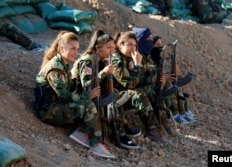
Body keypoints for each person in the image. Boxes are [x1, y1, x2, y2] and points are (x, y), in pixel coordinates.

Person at [33, 31, 115, 159]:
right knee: (88, 105)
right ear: (61, 49)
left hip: (57, 105)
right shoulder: (55, 68)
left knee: (88, 101)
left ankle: (83, 132)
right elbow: (64, 95)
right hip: (47, 110)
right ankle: (95, 144)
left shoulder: (62, 64)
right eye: (72, 49)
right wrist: (87, 95)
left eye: (77, 49)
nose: (76, 52)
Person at [71, 29, 141, 150]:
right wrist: (103, 73)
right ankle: (118, 134)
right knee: (112, 98)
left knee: (116, 95)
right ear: (98, 48)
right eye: (108, 47)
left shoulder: (100, 60)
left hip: (93, 95)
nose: (112, 51)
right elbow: (86, 86)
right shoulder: (88, 61)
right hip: (81, 98)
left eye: (113, 48)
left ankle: (120, 130)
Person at [111, 31, 170, 143]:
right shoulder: (116, 59)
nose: (133, 48)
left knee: (151, 89)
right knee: (138, 94)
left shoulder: (129, 57)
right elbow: (130, 84)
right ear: (120, 45)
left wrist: (153, 79)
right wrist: (137, 65)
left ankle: (161, 120)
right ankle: (152, 130)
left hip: (125, 92)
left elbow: (141, 78)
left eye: (135, 45)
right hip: (115, 96)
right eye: (129, 45)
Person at [151, 34, 197, 125]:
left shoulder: (159, 58)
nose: (160, 47)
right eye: (157, 45)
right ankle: (175, 115)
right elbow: (151, 76)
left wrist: (174, 66)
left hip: (159, 81)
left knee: (176, 82)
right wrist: (165, 77)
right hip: (152, 84)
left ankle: (183, 111)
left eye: (161, 44)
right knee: (169, 84)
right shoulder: (148, 58)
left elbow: (168, 73)